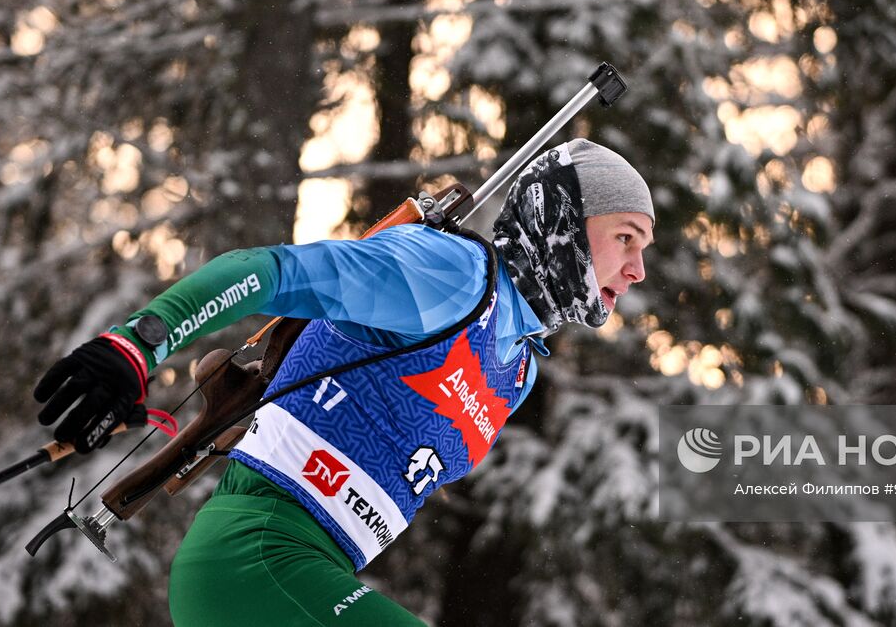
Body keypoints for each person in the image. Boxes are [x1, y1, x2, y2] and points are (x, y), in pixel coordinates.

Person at [33, 139, 653, 626]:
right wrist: (138, 343)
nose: (637, 269)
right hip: (255, 557)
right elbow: (264, 272)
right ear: (565, 220)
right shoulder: (450, 275)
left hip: (313, 576)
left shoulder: (516, 367)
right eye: (625, 237)